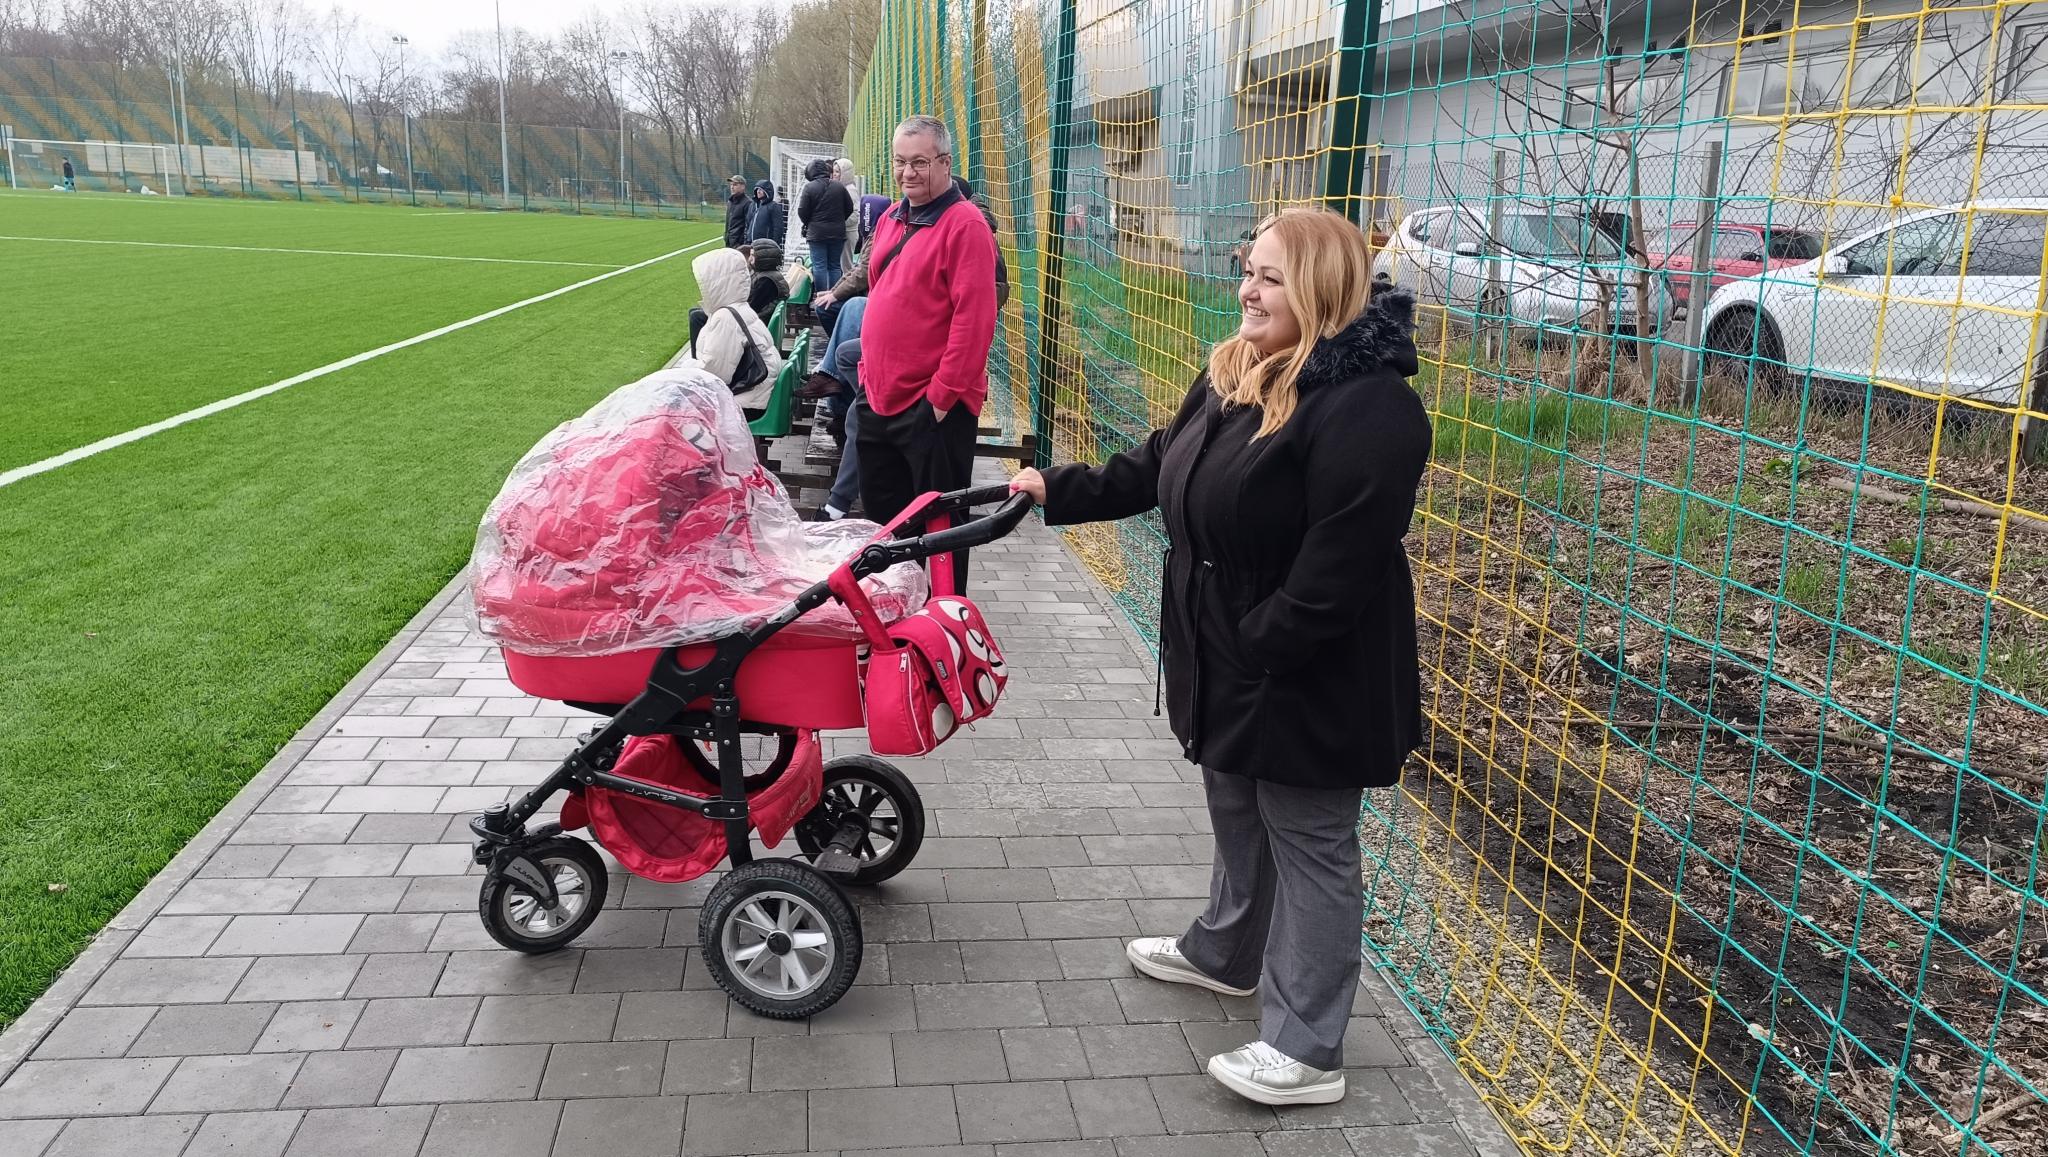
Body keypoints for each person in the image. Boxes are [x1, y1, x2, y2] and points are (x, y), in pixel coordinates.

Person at [1007, 207, 1432, 1108]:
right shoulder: (1238, 372)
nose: (1248, 287)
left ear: (1320, 288)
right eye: (1249, 268)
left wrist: (1261, 642)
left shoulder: (1372, 407)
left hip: (1313, 666)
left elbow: (1342, 562)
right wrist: (1059, 489)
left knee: (1312, 840)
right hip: (1229, 651)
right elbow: (1164, 462)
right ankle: (1227, 953)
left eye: (1272, 276)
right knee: (1235, 800)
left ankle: (1307, 1046)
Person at [852, 115, 998, 582]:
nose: (908, 172)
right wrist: (867, 376)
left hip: (932, 410)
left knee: (939, 533)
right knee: (885, 526)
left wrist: (939, 399)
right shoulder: (895, 217)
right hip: (878, 399)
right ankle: (895, 619)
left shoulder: (966, 225)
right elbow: (878, 293)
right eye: (900, 162)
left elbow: (974, 322)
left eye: (919, 162)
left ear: (946, 163)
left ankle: (943, 626)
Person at [681, 247, 784, 412]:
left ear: (717, 284)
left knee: (673, 411)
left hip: (748, 401)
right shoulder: (739, 308)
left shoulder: (726, 318)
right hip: (757, 394)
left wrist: (684, 369)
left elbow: (715, 375)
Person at [797, 158, 854, 296]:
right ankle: (833, 296)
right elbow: (849, 207)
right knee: (834, 265)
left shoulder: (809, 188)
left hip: (817, 234)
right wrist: (839, 220)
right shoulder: (839, 187)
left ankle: (820, 296)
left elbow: (802, 211)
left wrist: (810, 223)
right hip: (837, 233)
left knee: (819, 266)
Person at [747, 179, 785, 246]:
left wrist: (774, 245)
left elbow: (778, 228)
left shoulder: (773, 206)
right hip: (751, 244)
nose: (758, 192)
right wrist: (747, 240)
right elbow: (747, 224)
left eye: (761, 190)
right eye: (757, 189)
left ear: (767, 191)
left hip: (766, 245)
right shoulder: (753, 205)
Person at [724, 175, 750, 249]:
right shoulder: (730, 201)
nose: (732, 187)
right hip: (729, 242)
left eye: (735, 185)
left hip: (739, 244)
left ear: (743, 186)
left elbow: (748, 225)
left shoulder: (747, 203)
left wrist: (742, 242)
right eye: (731, 185)